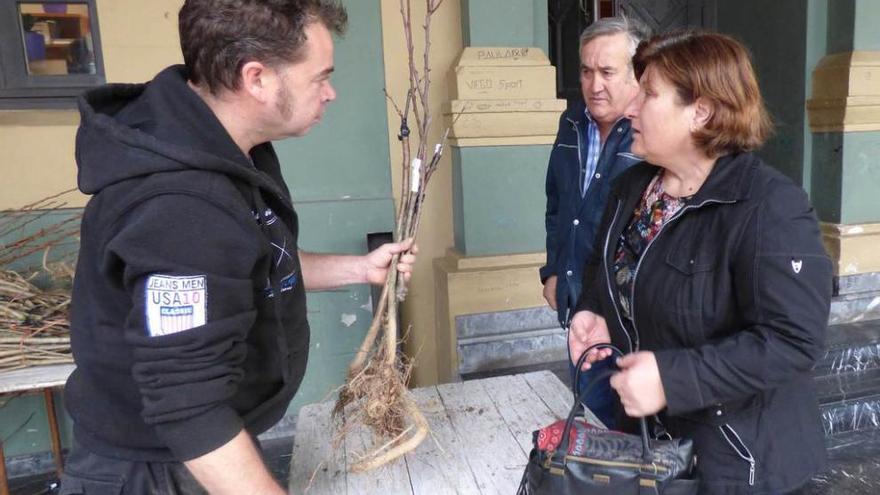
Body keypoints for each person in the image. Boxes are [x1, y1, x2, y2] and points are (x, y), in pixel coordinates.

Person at [63, 1, 417, 494]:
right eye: (319, 77)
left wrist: (360, 269)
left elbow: (249, 267)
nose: (330, 93)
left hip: (193, 452)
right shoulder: (182, 205)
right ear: (257, 78)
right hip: (156, 472)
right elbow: (189, 406)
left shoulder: (225, 150)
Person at [570, 30, 831, 493]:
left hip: (739, 465)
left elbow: (793, 341)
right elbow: (603, 264)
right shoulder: (633, 189)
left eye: (648, 94)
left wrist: (672, 378)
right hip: (652, 451)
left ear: (701, 111)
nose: (630, 107)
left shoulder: (769, 206)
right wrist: (594, 309)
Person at [540, 15, 648, 428]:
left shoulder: (647, 134)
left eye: (607, 72)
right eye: (586, 71)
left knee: (632, 433)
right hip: (578, 308)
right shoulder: (571, 123)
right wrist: (553, 271)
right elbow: (557, 205)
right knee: (595, 420)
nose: (594, 84)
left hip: (628, 317)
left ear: (636, 73)